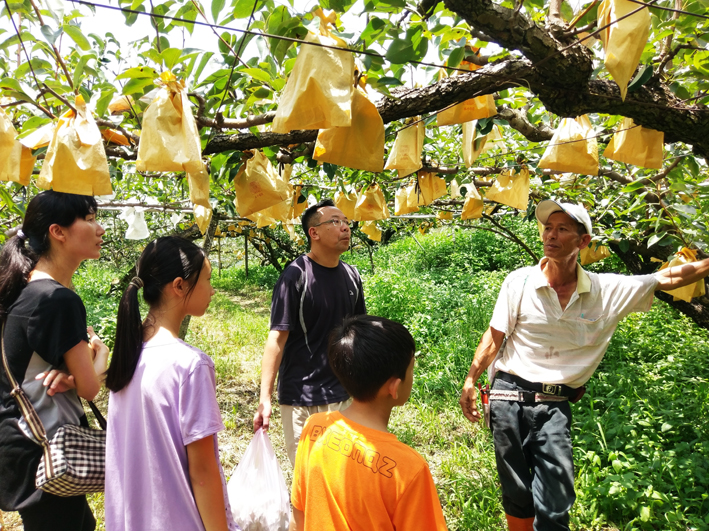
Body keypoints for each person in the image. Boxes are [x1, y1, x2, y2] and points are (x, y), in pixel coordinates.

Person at [459, 199, 709, 531]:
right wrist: (471, 379)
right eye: (548, 227)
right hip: (508, 396)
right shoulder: (519, 281)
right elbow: (494, 337)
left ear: (583, 241)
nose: (551, 235)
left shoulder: (606, 290)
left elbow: (666, 278)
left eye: (562, 229)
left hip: (555, 403)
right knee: (516, 490)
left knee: (557, 496)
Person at [104, 236, 237, 531]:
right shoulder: (190, 365)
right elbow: (202, 471)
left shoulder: (127, 354)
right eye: (207, 280)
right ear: (179, 286)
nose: (213, 290)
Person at [0, 191, 109, 531]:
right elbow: (90, 387)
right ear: (57, 232)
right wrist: (101, 353)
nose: (100, 228)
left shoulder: (23, 287)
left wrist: (72, 368)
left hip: (18, 439)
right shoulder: (57, 298)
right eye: (89, 219)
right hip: (42, 447)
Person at [290, 314, 448, 531]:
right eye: (412, 368)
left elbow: (299, 514)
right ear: (393, 387)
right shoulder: (409, 469)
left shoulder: (315, 428)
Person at [253, 198, 366, 465]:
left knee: (340, 473)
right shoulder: (296, 275)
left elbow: (358, 333)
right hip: (301, 395)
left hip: (341, 393)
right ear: (313, 233)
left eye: (347, 222)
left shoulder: (352, 276)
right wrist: (264, 399)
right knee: (307, 478)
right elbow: (277, 338)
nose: (345, 228)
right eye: (335, 222)